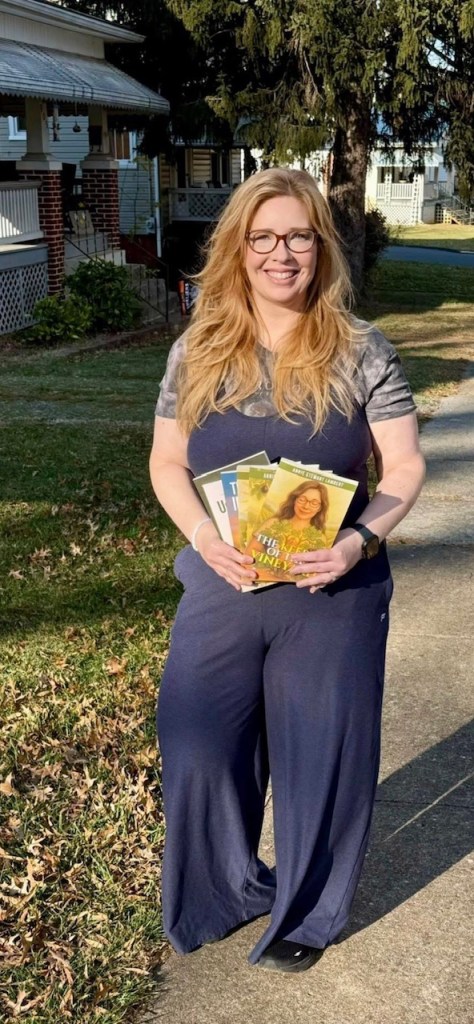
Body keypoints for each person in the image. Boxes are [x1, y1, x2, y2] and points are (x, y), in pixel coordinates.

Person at [149, 167, 425, 973]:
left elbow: (403, 466)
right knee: (196, 741)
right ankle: (224, 887)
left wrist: (356, 543)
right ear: (237, 249)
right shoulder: (197, 350)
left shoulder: (362, 350)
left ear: (321, 247)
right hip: (222, 578)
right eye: (263, 237)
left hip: (331, 587)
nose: (281, 253)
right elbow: (168, 462)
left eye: (298, 236)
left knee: (323, 756)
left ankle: (308, 911)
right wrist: (202, 538)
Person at [245, 481, 329, 579]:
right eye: (302, 499)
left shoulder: (319, 538)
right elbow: (249, 554)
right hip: (260, 578)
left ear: (320, 508)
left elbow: (316, 572)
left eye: (314, 503)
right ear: (294, 500)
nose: (306, 506)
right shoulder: (273, 523)